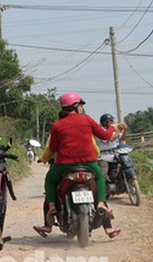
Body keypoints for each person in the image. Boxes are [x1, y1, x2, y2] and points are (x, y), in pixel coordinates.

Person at [33, 92, 123, 239]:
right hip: (89, 163)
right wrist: (113, 127)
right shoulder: (87, 120)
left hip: (64, 165)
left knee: (50, 180)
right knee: (99, 178)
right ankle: (101, 204)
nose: (81, 107)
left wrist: (45, 158)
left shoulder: (57, 125)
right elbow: (106, 136)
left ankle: (51, 208)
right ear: (76, 106)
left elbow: (53, 147)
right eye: (80, 105)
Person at [96, 113, 128, 181]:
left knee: (114, 174)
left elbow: (123, 138)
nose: (112, 123)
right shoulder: (101, 131)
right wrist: (118, 130)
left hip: (114, 155)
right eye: (110, 121)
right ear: (105, 123)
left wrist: (125, 130)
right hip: (104, 156)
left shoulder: (114, 131)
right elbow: (111, 139)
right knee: (103, 174)